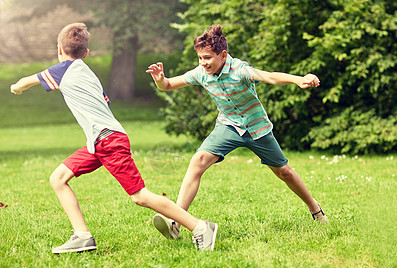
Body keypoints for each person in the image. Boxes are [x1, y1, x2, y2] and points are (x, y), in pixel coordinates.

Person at [10, 23, 218, 253]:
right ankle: (82, 236)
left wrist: (16, 87)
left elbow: (28, 80)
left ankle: (200, 227)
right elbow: (105, 102)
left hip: (108, 141)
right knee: (58, 178)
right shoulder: (89, 74)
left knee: (140, 196)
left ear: (59, 50)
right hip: (99, 142)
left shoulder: (63, 70)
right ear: (86, 53)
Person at [146, 24, 328, 240]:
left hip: (257, 128)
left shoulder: (240, 70)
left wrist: (299, 79)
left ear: (223, 55)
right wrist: (159, 79)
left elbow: (269, 77)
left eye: (207, 57)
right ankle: (176, 221)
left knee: (285, 172)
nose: (203, 63)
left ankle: (315, 208)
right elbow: (167, 85)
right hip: (228, 126)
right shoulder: (201, 73)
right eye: (200, 58)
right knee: (198, 160)